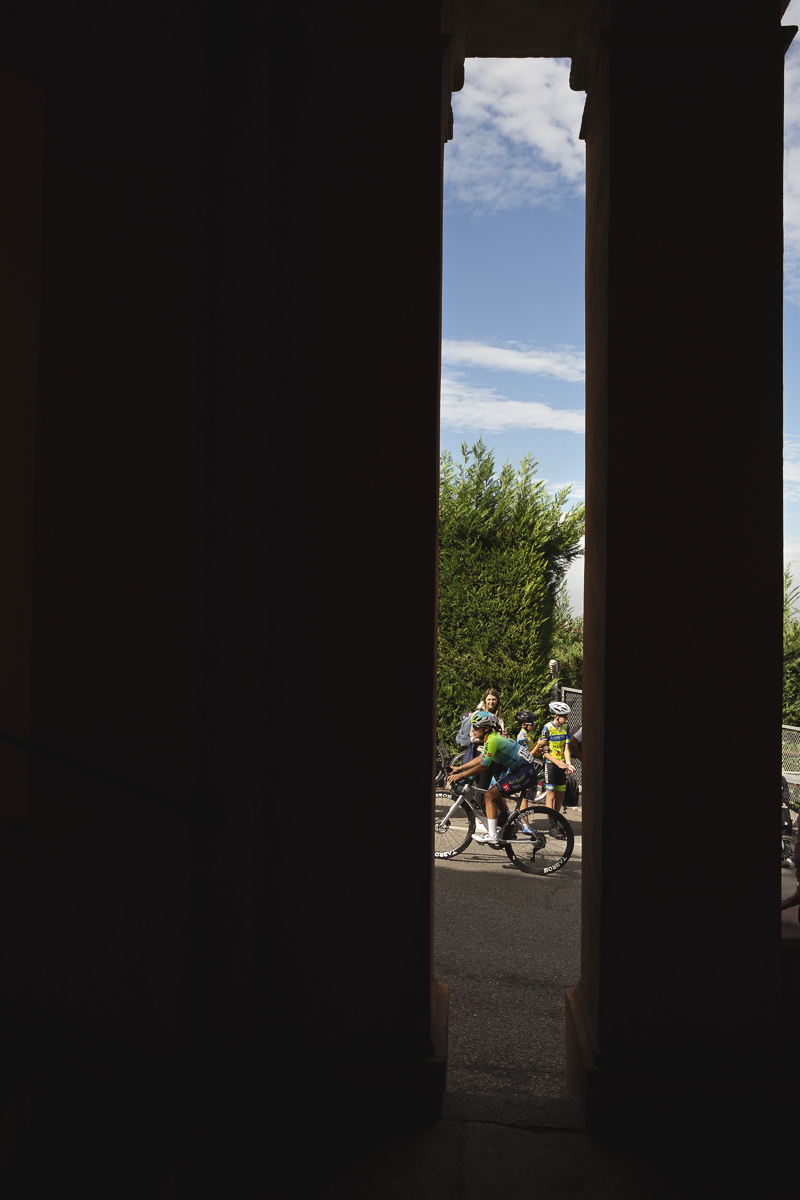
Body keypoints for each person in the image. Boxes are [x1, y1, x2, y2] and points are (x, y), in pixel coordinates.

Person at [447, 711, 542, 847]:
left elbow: (482, 767)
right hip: (522, 770)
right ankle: (508, 819)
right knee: (494, 791)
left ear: (486, 728)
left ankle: (492, 835)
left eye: (476, 727)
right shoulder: (492, 737)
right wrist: (460, 768)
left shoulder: (492, 739)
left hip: (524, 772)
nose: (473, 729)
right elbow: (480, 758)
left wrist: (461, 775)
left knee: (489, 796)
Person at [539, 701, 575, 825]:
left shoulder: (567, 728)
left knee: (561, 794)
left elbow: (566, 749)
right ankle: (552, 824)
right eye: (564, 716)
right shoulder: (547, 728)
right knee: (551, 794)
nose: (567, 718)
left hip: (562, 764)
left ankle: (557, 820)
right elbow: (544, 752)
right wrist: (556, 762)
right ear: (556, 716)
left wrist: (568, 764)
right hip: (550, 764)